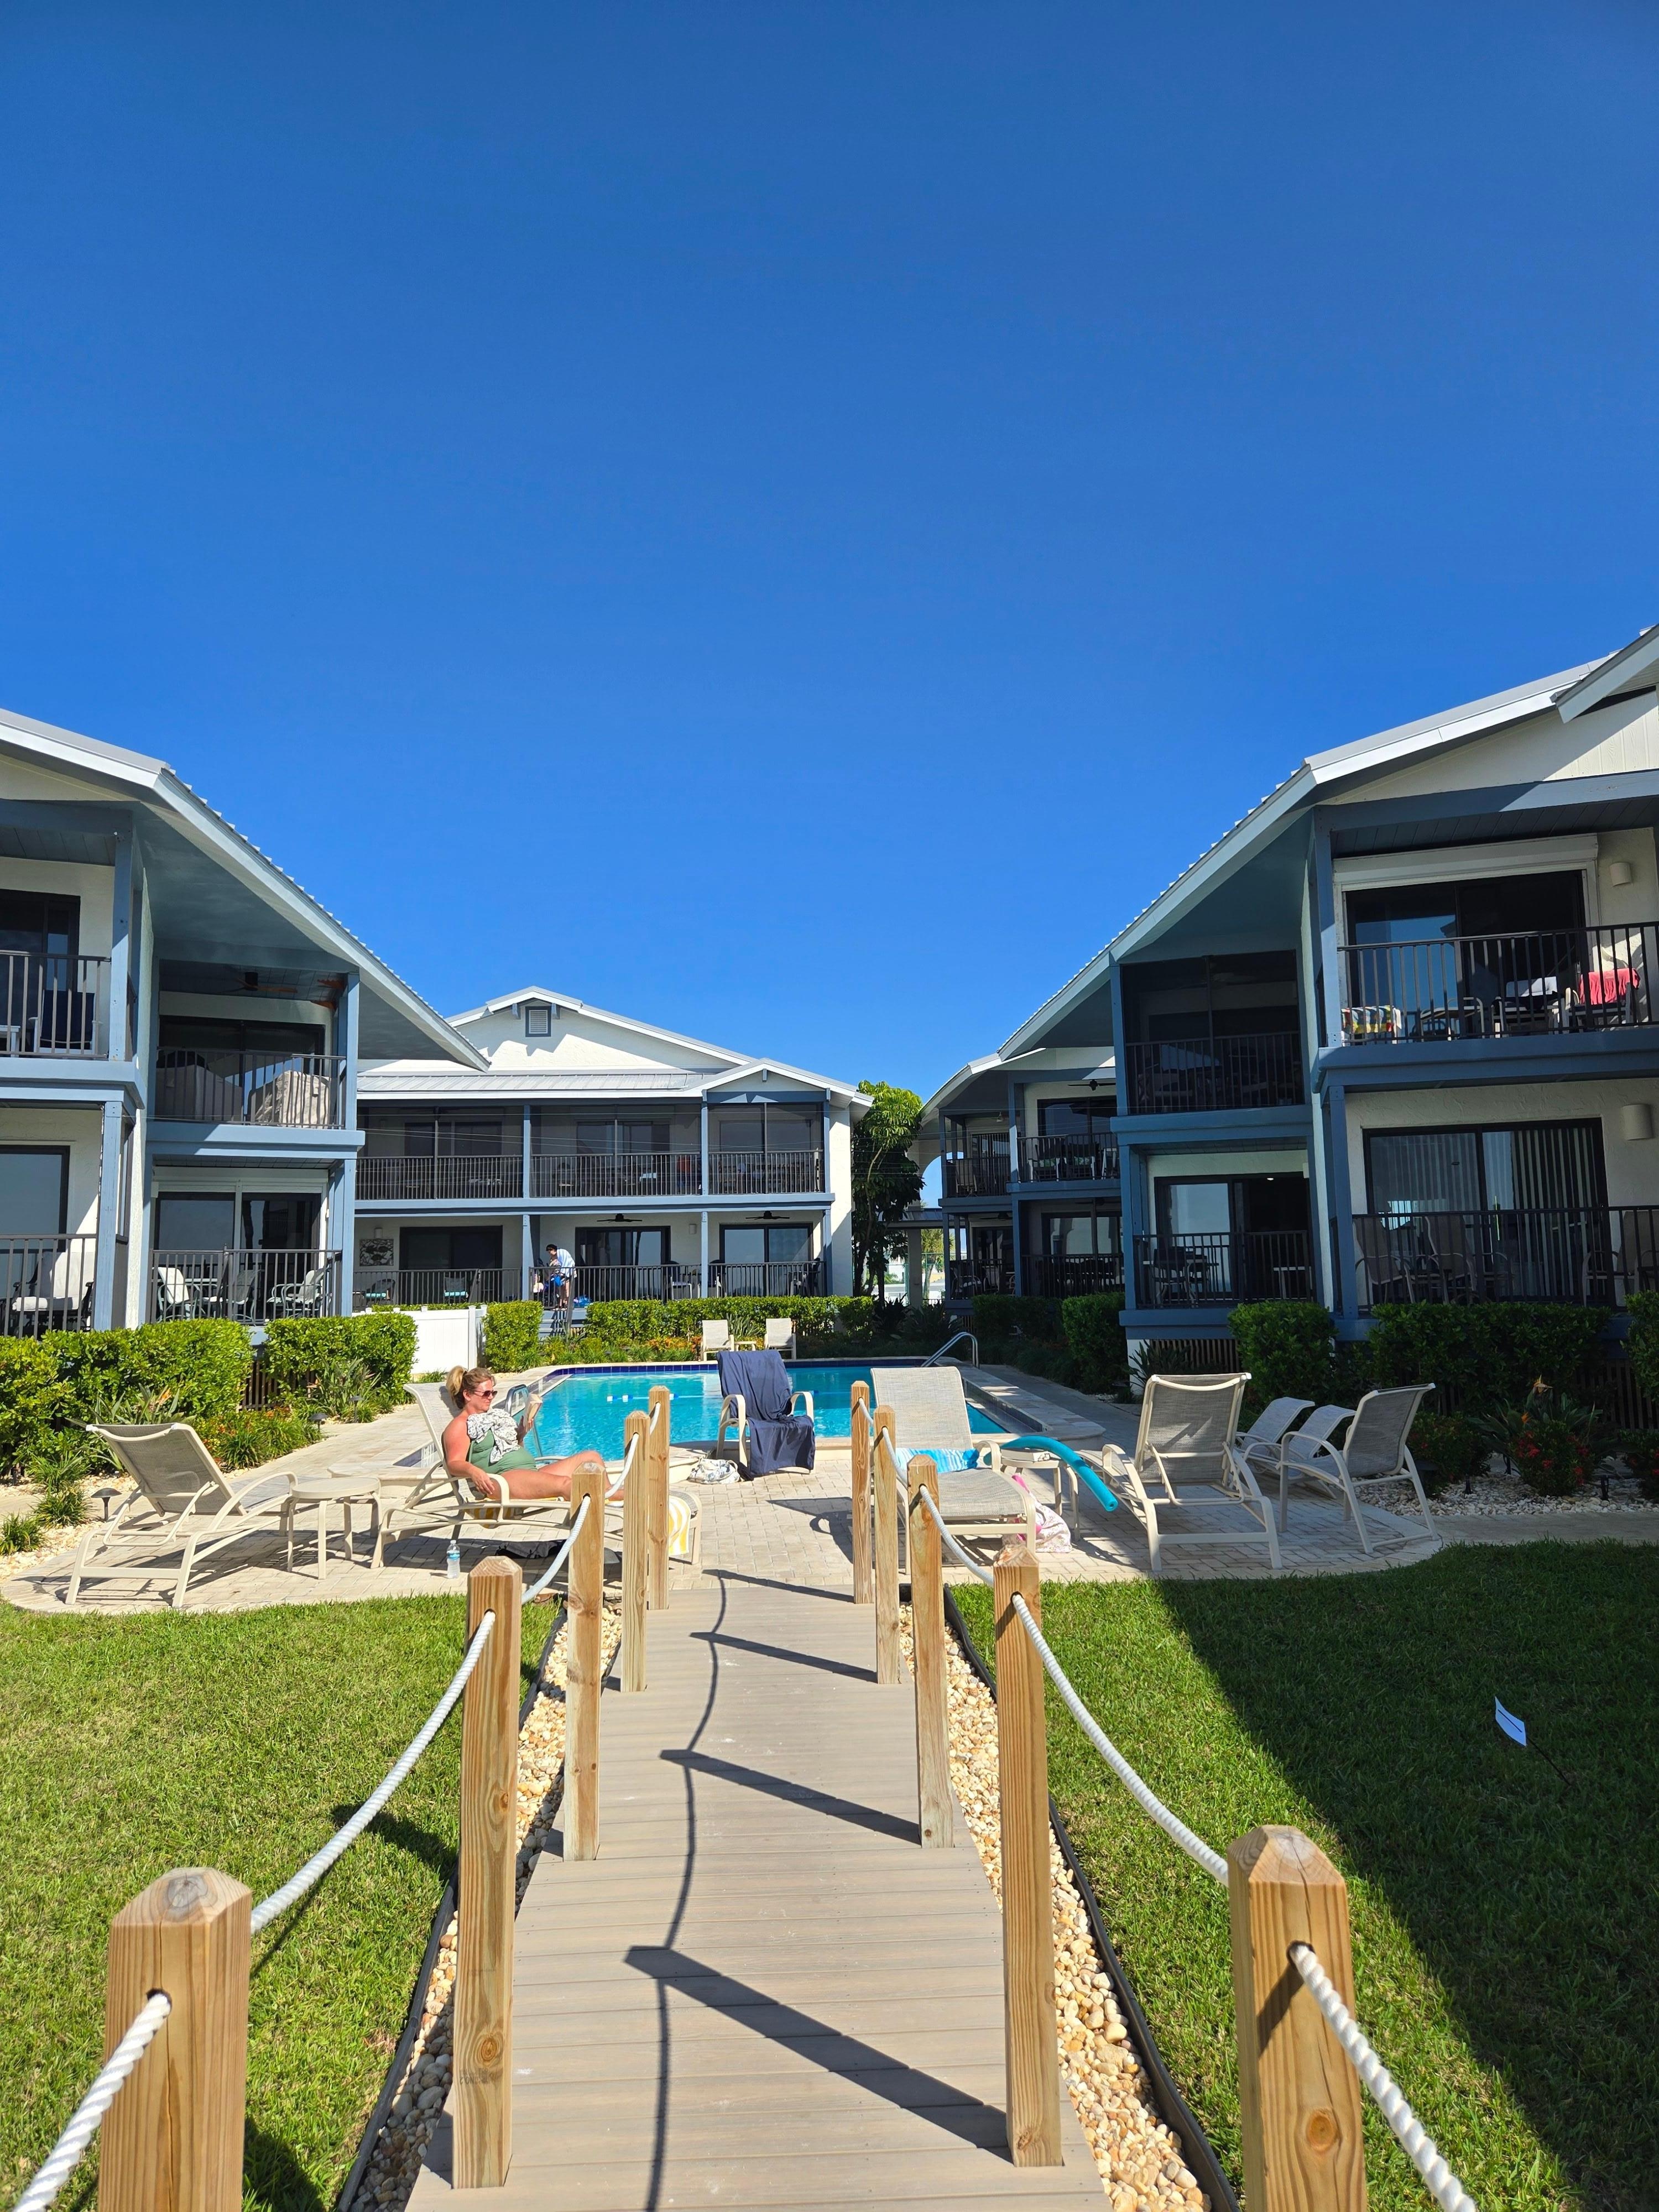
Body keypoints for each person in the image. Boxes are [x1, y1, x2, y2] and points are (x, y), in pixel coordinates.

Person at [442, 1365, 603, 1503]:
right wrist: (474, 1471)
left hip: (527, 1473)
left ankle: (617, 1496)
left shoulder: (493, 1418)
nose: (491, 1398)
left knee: (591, 1457)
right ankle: (590, 1531)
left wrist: (520, 1435)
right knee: (566, 1484)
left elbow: (509, 1452)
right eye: (486, 1393)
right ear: (468, 1395)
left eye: (493, 1393)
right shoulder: (460, 1425)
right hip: (501, 1481)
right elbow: (454, 1463)